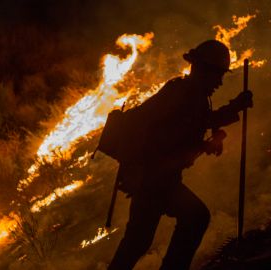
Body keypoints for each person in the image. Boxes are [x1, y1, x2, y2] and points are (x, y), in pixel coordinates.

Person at [108, 40, 253, 270]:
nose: (219, 82)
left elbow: (186, 135)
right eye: (217, 75)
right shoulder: (182, 94)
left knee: (140, 241)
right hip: (153, 180)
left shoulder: (192, 96)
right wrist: (233, 108)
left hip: (160, 179)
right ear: (202, 70)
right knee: (189, 220)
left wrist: (208, 142)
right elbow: (153, 131)